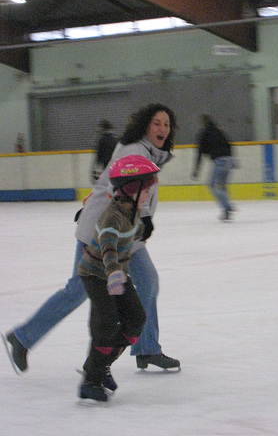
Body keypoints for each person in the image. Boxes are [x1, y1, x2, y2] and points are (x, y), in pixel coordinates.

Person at [5, 103, 180, 374]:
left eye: (166, 124)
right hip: (104, 231)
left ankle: (146, 348)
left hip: (125, 232)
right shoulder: (136, 150)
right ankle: (23, 337)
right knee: (78, 290)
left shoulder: (150, 152)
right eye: (156, 123)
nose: (162, 128)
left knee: (147, 281)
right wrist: (143, 216)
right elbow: (119, 185)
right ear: (146, 125)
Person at [79, 155, 158, 402]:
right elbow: (109, 245)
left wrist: (143, 229)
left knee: (136, 318)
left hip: (116, 275)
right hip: (96, 274)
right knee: (106, 324)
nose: (148, 196)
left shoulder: (130, 210)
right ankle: (90, 381)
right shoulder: (113, 215)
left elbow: (128, 233)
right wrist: (113, 271)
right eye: (145, 190)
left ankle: (101, 365)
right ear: (131, 189)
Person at [191, 114, 236, 220]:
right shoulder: (220, 131)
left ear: (202, 122)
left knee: (212, 185)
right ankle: (227, 208)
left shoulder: (203, 133)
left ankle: (227, 207)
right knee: (222, 185)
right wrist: (232, 159)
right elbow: (229, 145)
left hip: (219, 161)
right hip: (229, 160)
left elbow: (200, 153)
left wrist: (196, 169)